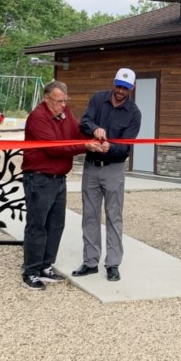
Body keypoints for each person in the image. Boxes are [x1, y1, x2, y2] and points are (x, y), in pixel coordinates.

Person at [21, 80, 106, 290]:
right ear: (46, 98)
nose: (62, 106)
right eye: (58, 102)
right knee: (37, 225)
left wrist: (93, 135)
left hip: (58, 178)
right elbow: (54, 149)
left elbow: (76, 133)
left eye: (64, 101)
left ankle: (45, 265)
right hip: (39, 178)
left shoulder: (64, 114)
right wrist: (85, 146)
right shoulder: (38, 118)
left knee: (56, 224)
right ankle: (30, 271)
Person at [73, 68, 143, 282]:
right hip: (91, 166)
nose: (121, 91)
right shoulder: (98, 99)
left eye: (125, 88)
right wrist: (95, 129)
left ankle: (112, 264)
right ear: (113, 83)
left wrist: (109, 148)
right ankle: (90, 261)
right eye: (118, 86)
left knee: (114, 216)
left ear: (131, 89)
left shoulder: (134, 113)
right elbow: (84, 122)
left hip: (114, 168)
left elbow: (126, 148)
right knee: (90, 215)